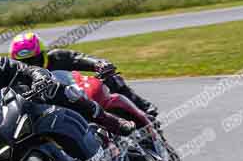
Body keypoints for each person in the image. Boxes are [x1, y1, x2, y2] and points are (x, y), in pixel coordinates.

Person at [0, 43, 136, 161]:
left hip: (33, 101)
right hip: (5, 127)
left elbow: (28, 69)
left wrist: (40, 79)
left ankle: (111, 121)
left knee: (64, 91)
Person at [9, 32, 158, 117]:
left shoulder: (57, 57)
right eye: (24, 61)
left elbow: (78, 58)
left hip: (80, 91)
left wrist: (99, 64)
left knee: (112, 79)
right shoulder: (17, 76)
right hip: (56, 111)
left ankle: (143, 108)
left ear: (42, 53)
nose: (30, 64)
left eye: (33, 58)